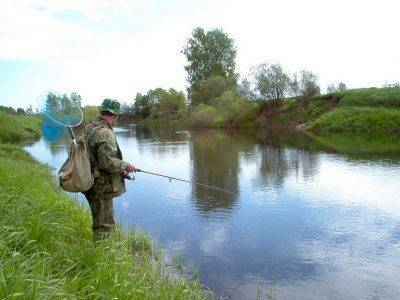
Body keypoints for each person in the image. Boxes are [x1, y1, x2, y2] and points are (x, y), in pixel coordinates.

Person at [82, 99, 135, 241]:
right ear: (114, 115)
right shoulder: (105, 132)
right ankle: (101, 260)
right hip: (101, 187)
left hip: (89, 182)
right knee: (105, 226)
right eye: (117, 116)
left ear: (101, 112)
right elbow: (108, 163)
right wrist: (126, 165)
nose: (117, 119)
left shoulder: (89, 127)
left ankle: (98, 255)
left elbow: (97, 158)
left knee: (98, 222)